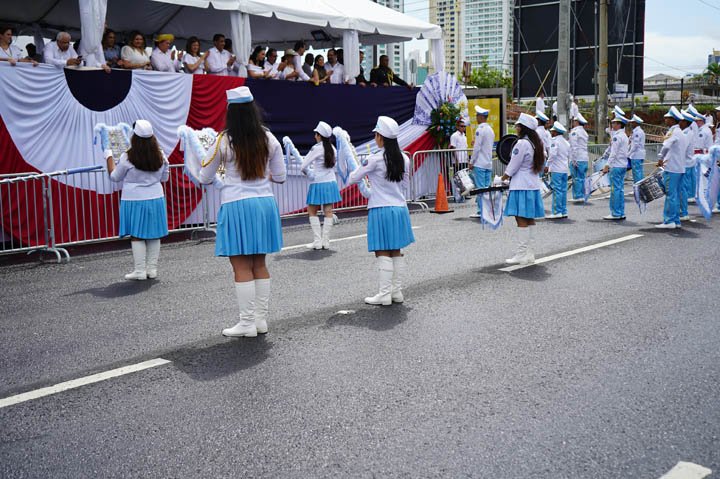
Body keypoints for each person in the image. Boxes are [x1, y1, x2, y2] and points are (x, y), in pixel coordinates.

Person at [199, 86, 286, 337]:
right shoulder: (269, 138)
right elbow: (280, 176)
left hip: (236, 203)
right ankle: (260, 320)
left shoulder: (223, 140)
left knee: (241, 266)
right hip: (264, 203)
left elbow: (205, 176)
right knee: (259, 263)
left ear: (231, 112)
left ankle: (246, 323)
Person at [348, 116, 413, 306]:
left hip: (380, 208)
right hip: (399, 208)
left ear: (380, 137)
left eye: (376, 135)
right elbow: (405, 185)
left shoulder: (374, 159)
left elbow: (353, 178)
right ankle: (396, 292)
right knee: (396, 250)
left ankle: (384, 294)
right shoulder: (405, 159)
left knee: (382, 251)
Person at [105, 120, 170, 281]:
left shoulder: (127, 157)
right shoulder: (161, 155)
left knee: (136, 234)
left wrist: (108, 157)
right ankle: (152, 269)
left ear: (135, 137)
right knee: (154, 234)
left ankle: (139, 270)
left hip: (134, 199)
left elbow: (115, 177)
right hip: (155, 197)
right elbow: (165, 178)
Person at [500, 113, 545, 265]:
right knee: (529, 218)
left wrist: (502, 179)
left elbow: (513, 165)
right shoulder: (535, 143)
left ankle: (521, 254)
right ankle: (529, 253)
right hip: (532, 185)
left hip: (521, 185)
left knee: (520, 218)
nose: (516, 128)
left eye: (518, 126)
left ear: (523, 128)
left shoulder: (522, 144)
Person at [301, 121, 341, 250]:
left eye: (316, 134)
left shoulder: (316, 148)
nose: (314, 136)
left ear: (319, 135)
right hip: (330, 182)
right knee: (328, 211)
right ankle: (326, 241)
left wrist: (309, 174)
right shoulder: (333, 148)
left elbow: (303, 166)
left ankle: (317, 241)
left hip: (318, 182)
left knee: (312, 211)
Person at [656, 107, 687, 229]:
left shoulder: (673, 132)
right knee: (676, 194)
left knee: (670, 195)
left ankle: (669, 221)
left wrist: (660, 158)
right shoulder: (681, 132)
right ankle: (676, 220)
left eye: (667, 118)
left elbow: (666, 146)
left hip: (672, 168)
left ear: (673, 120)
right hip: (680, 168)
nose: (665, 120)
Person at [601, 114, 630, 220]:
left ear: (619, 125)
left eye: (614, 123)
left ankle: (615, 213)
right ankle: (620, 212)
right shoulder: (624, 135)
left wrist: (607, 165)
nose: (612, 125)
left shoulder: (617, 137)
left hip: (616, 165)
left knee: (615, 190)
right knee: (620, 189)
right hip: (622, 165)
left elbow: (613, 153)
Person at [468, 106, 494, 218]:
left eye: (477, 115)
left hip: (480, 163)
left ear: (481, 117)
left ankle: (481, 211)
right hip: (488, 163)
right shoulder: (490, 130)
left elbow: (477, 148)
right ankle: (488, 210)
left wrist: (471, 161)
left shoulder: (480, 130)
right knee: (487, 189)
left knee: (480, 189)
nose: (476, 117)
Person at [545, 121, 570, 219]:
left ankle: (556, 212)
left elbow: (552, 155)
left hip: (556, 169)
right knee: (563, 191)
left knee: (557, 191)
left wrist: (547, 165)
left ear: (556, 132)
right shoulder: (566, 142)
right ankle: (563, 211)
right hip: (564, 169)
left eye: (552, 131)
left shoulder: (555, 141)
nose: (551, 132)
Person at [678, 110, 696, 221]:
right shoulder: (688, 132)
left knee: (682, 189)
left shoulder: (686, 134)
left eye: (681, 120)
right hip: (686, 163)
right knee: (683, 189)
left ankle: (683, 212)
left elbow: (681, 149)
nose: (679, 122)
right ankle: (682, 211)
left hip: (685, 164)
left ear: (685, 122)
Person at [569, 113, 590, 202]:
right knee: (582, 177)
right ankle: (582, 195)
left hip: (577, 158)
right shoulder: (584, 132)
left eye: (574, 121)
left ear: (577, 122)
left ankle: (577, 196)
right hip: (584, 158)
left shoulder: (575, 132)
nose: (573, 123)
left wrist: (574, 159)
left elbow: (574, 146)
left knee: (576, 178)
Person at [449, 118, 469, 203]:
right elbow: (453, 148)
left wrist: (468, 159)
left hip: (464, 160)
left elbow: (466, 148)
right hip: (457, 161)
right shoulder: (454, 136)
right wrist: (456, 160)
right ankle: (457, 196)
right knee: (457, 179)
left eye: (464, 126)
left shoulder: (464, 136)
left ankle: (464, 194)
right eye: (461, 126)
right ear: (457, 127)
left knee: (464, 178)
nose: (463, 128)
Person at [627, 114, 646, 184]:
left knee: (636, 173)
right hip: (639, 155)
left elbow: (635, 145)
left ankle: (638, 187)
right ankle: (641, 187)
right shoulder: (638, 131)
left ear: (635, 123)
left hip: (636, 155)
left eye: (632, 122)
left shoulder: (637, 132)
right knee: (639, 172)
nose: (631, 124)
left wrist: (628, 154)